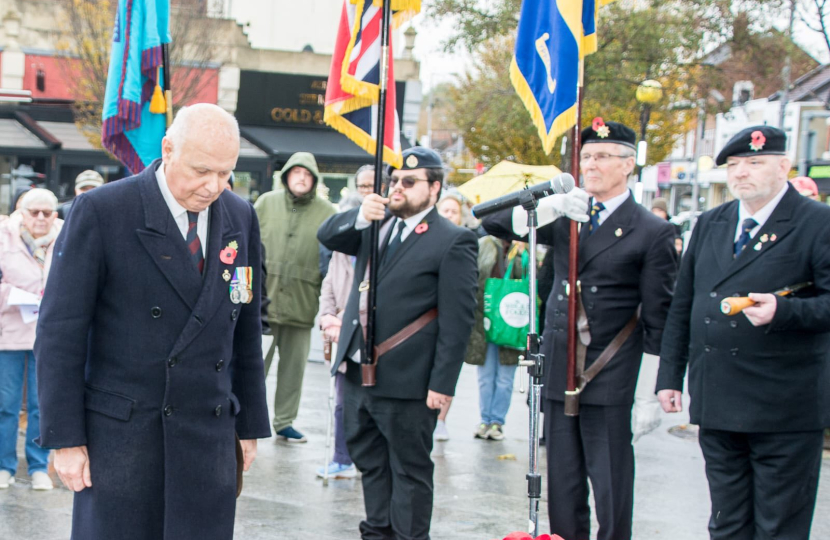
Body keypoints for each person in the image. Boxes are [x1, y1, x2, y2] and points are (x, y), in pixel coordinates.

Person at [34, 103, 271, 540]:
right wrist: (66, 438)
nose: (213, 186)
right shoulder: (102, 211)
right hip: (123, 439)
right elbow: (60, 331)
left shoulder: (240, 216)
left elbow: (244, 327)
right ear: (168, 148)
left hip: (208, 434)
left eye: (225, 173)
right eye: (202, 170)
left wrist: (250, 425)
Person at [482, 118, 677, 540]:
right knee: (563, 483)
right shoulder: (569, 214)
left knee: (609, 485)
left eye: (603, 157)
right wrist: (550, 206)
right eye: (586, 156)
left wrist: (649, 393)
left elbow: (659, 317)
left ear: (629, 165)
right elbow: (492, 222)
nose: (591, 165)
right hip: (559, 365)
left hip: (610, 371)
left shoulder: (652, 231)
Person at [656, 125, 830, 540]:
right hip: (718, 396)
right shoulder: (711, 222)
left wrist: (785, 311)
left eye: (754, 163)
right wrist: (669, 377)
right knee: (727, 521)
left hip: (784, 403)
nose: (741, 173)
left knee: (779, 525)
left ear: (784, 166)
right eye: (734, 165)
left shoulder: (816, 223)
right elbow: (684, 304)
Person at [317, 146, 478, 540]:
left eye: (409, 181)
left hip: (409, 379)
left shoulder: (453, 240)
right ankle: (377, 532)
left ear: (435, 188)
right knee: (370, 462)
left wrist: (443, 384)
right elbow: (327, 235)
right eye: (394, 181)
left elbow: (458, 322)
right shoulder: (377, 225)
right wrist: (360, 214)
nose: (398, 188)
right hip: (359, 371)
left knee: (409, 471)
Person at [255, 152, 336, 443]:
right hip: (263, 302)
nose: (301, 178)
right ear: (286, 175)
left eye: (307, 174)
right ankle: (243, 419)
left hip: (302, 303)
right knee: (253, 367)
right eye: (296, 172)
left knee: (293, 370)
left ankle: (285, 421)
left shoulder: (327, 212)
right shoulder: (266, 202)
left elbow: (333, 261)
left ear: (314, 180)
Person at [317, 165, 384, 479]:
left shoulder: (389, 231)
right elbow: (330, 281)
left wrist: (348, 316)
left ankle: (369, 460)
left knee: (371, 403)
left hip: (373, 332)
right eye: (362, 185)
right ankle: (341, 458)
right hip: (343, 331)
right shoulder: (349, 227)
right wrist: (327, 316)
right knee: (343, 401)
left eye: (372, 184)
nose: (367, 190)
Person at [0, 189, 62, 491]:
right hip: (8, 333)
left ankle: (39, 466)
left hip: (49, 335)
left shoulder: (67, 234)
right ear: (21, 212)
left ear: (55, 215)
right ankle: (4, 467)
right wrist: (16, 295)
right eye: (33, 212)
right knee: (6, 405)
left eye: (46, 213)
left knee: (43, 404)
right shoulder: (3, 236)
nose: (40, 218)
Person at [465, 238, 522, 441]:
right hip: (485, 319)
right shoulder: (485, 244)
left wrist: (521, 254)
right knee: (486, 376)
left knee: (505, 378)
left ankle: (497, 421)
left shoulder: (520, 247)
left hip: (511, 321)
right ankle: (485, 420)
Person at [432, 189, 470, 441]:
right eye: (444, 210)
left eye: (453, 211)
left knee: (445, 370)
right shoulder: (426, 238)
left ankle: (441, 418)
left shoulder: (464, 241)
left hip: (449, 317)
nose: (448, 215)